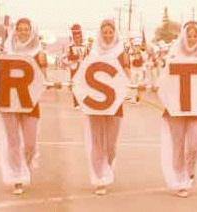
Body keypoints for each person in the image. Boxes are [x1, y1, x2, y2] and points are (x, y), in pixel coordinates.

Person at [0, 17, 48, 195]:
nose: (23, 32)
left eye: (27, 29)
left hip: (30, 102)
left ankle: (24, 167)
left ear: (32, 31)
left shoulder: (39, 53)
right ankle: (17, 177)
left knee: (30, 145)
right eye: (20, 29)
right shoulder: (6, 50)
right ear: (15, 31)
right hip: (8, 101)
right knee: (13, 142)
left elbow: (43, 78)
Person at [159, 21, 197, 198]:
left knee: (194, 145)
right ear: (183, 35)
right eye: (189, 34)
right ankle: (180, 181)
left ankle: (190, 172)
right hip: (175, 107)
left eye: (196, 35)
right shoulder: (173, 54)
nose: (192, 38)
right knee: (178, 145)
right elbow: (164, 79)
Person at [82, 19, 130, 196]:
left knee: (110, 144)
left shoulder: (122, 53)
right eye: (105, 32)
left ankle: (108, 166)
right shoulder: (92, 51)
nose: (108, 35)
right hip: (94, 102)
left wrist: (127, 88)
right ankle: (99, 179)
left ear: (115, 33)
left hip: (115, 103)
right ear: (100, 33)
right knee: (97, 142)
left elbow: (126, 74)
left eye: (110, 32)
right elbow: (82, 73)